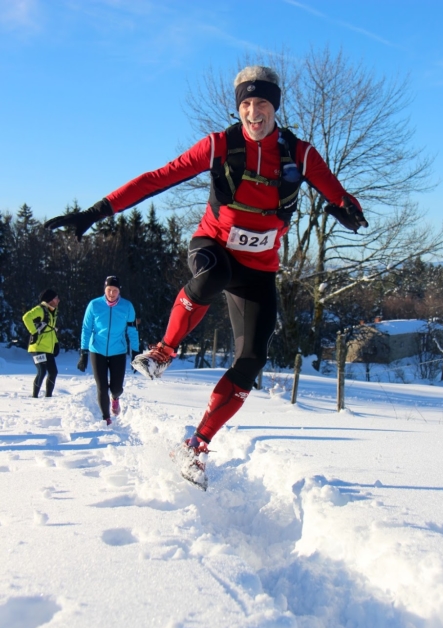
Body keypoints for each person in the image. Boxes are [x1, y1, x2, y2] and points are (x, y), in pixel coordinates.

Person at [45, 65, 368, 489]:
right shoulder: (219, 145)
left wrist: (348, 209)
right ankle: (163, 351)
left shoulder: (300, 154)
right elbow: (156, 179)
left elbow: (336, 191)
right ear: (239, 108)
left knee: (251, 361)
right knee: (214, 274)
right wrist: (96, 211)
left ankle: (196, 446)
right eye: (246, 103)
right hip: (212, 247)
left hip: (259, 269)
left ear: (275, 107)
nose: (254, 112)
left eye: (262, 103)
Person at [77, 275, 140, 426]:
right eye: (109, 289)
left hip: (118, 351)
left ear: (119, 291)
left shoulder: (127, 306)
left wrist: (135, 352)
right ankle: (106, 418)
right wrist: (83, 352)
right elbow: (86, 329)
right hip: (97, 350)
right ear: (104, 289)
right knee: (102, 387)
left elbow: (132, 330)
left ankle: (115, 398)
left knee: (116, 388)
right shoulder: (94, 305)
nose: (112, 293)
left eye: (115, 290)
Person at [22, 289, 60, 398]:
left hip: (48, 349)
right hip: (37, 348)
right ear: (50, 299)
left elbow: (51, 329)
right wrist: (33, 332)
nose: (58, 300)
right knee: (42, 371)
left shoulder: (53, 312)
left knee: (53, 372)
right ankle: (34, 397)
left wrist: (56, 343)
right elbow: (26, 317)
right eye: (56, 298)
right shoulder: (40, 309)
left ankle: (48, 397)